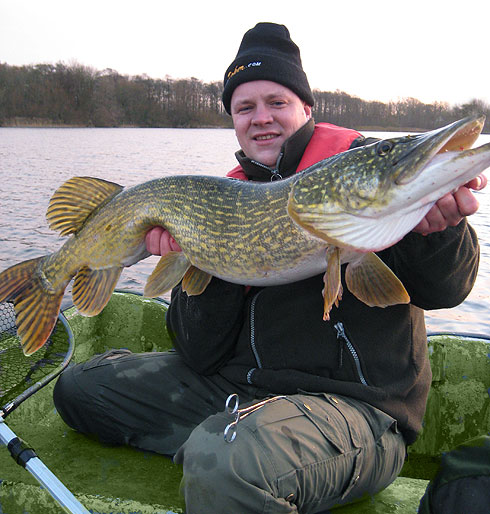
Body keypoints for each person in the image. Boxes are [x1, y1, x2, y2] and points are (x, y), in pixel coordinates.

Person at [53, 23, 486, 513]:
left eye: (277, 102)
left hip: (356, 415)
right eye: (245, 107)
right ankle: (228, 444)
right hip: (242, 394)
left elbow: (448, 287)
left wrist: (440, 231)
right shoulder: (216, 198)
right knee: (80, 389)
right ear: (234, 120)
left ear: (306, 107)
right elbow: (198, 352)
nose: (262, 118)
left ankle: (227, 452)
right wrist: (198, 256)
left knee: (226, 461)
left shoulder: (357, 172)